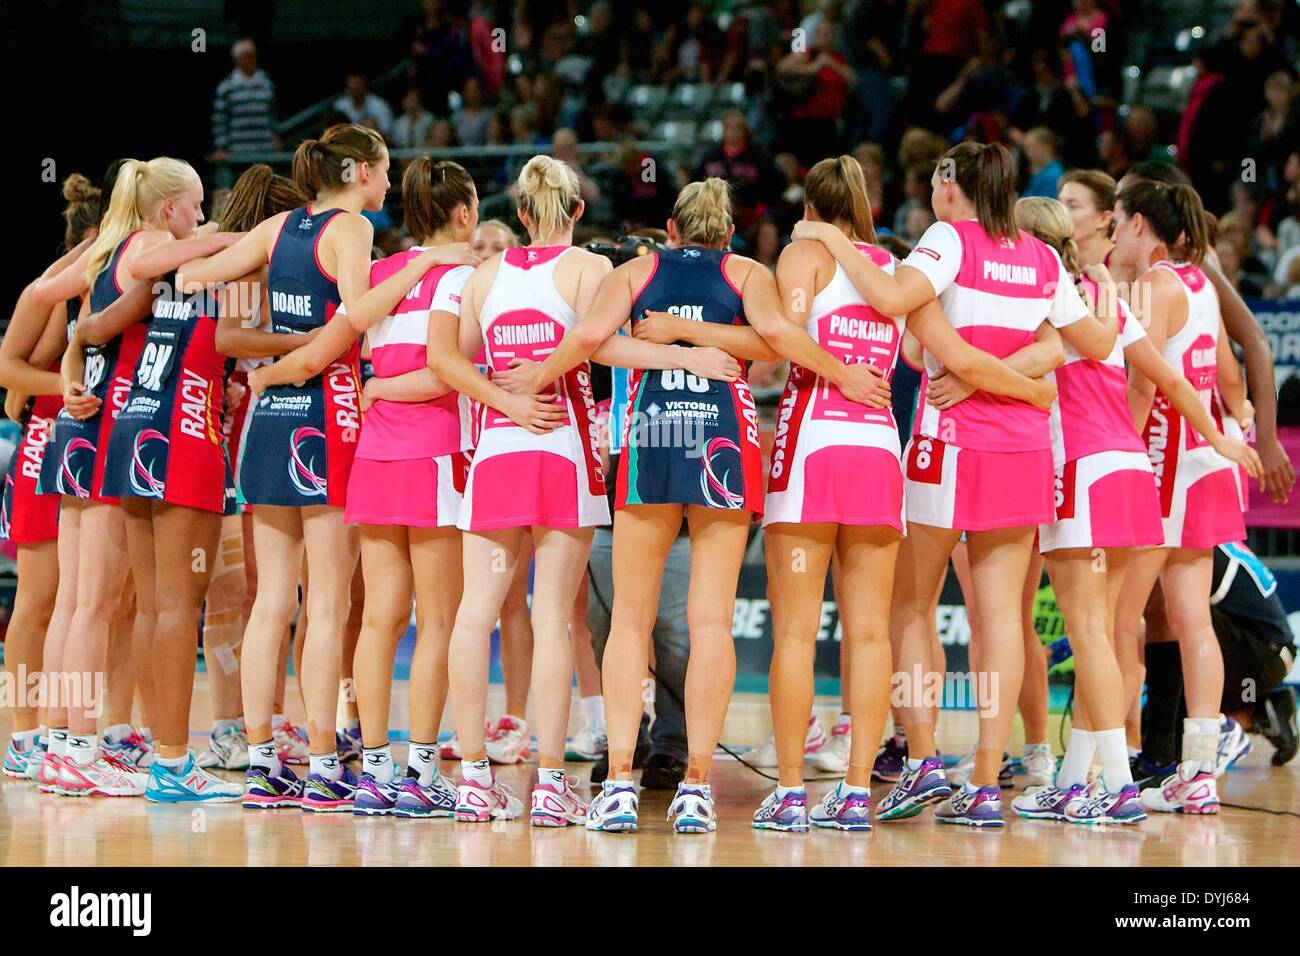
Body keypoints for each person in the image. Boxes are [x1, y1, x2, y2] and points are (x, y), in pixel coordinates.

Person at [504, 175, 886, 833]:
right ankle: (698, 787)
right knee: (711, 621)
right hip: (723, 439)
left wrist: (528, 381)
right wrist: (825, 369)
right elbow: (773, 342)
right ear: (729, 234)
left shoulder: (637, 268)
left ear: (672, 231)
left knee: (629, 617)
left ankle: (620, 783)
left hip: (653, 434)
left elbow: (590, 340)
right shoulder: (745, 271)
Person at [428, 157, 740, 827]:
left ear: (518, 215)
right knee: (550, 620)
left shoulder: (482, 274)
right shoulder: (590, 270)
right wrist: (687, 355)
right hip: (561, 448)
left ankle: (475, 779)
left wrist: (501, 403)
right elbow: (605, 349)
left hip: (496, 448)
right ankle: (547, 783)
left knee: (471, 613)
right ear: (575, 212)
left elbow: (447, 360)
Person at [792, 142, 1085, 828]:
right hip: (1020, 449)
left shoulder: (948, 238)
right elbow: (1067, 345)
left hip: (950, 442)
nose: (929, 187)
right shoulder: (1042, 257)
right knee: (1002, 617)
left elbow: (894, 298)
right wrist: (1014, 380)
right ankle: (986, 782)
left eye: (934, 177)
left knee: (908, 606)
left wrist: (831, 232)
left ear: (954, 186)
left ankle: (923, 760)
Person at [1007, 195, 1259, 825]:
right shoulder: (1107, 299)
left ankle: (1115, 781)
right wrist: (1222, 435)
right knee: (1113, 631)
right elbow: (1173, 380)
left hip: (1082, 471)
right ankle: (1076, 777)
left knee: (1092, 631)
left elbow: (1028, 381)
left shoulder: (1042, 303)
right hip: (1132, 471)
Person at [249, 158, 479, 817]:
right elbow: (447, 373)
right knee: (436, 619)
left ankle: (373, 768)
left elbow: (322, 351)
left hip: (372, 458)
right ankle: (421, 770)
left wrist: (268, 379)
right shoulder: (462, 277)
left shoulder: (375, 275)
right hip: (433, 454)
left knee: (378, 617)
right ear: (463, 215)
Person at [178, 123, 388, 811]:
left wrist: (229, 243)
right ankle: (326, 761)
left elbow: (192, 274)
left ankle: (265, 760)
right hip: (329, 415)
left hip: (267, 422)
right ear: (358, 172)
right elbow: (358, 316)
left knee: (273, 601)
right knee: (326, 602)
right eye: (382, 171)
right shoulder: (351, 229)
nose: (386, 184)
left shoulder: (277, 229)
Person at [32, 159, 235, 798]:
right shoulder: (149, 247)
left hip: (92, 415)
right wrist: (239, 238)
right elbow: (143, 277)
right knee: (97, 600)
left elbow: (59, 308)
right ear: (168, 208)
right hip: (115, 419)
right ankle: (79, 746)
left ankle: (66, 740)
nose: (200, 220)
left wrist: (69, 362)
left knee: (85, 600)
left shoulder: (109, 245)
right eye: (196, 208)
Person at [1108, 179, 1255, 816]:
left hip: (1164, 460)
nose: (1113, 231)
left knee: (1118, 620)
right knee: (1191, 619)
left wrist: (1115, 448)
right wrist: (1239, 423)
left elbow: (1143, 387)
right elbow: (1228, 374)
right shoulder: (1199, 283)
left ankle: (1104, 771)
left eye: (1117, 220)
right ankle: (1198, 770)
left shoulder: (1155, 286)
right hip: (1206, 455)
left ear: (1141, 224)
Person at [0, 175, 101, 779]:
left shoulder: (116, 290)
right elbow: (10, 374)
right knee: (39, 601)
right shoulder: (51, 295)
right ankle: (22, 733)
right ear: (91, 238)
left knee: (85, 602)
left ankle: (73, 731)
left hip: (88, 448)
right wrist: (63, 387)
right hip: (45, 448)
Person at [1138, 542, 1297, 774]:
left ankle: (1247, 712)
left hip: (1260, 662)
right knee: (1165, 719)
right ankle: (1259, 710)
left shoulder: (1192, 542)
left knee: (1178, 612)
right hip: (1258, 660)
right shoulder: (1210, 535)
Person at [212, 39, 281, 161]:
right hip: (238, 151)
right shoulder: (227, 87)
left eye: (253, 56)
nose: (251, 60)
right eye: (247, 56)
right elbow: (219, 120)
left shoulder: (266, 84)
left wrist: (276, 138)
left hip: (265, 150)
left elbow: (273, 116)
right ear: (237, 59)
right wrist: (221, 147)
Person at [333, 71, 395, 138]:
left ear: (365, 86)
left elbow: (387, 135)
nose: (355, 89)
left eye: (357, 86)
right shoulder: (339, 106)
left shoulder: (380, 105)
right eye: (352, 87)